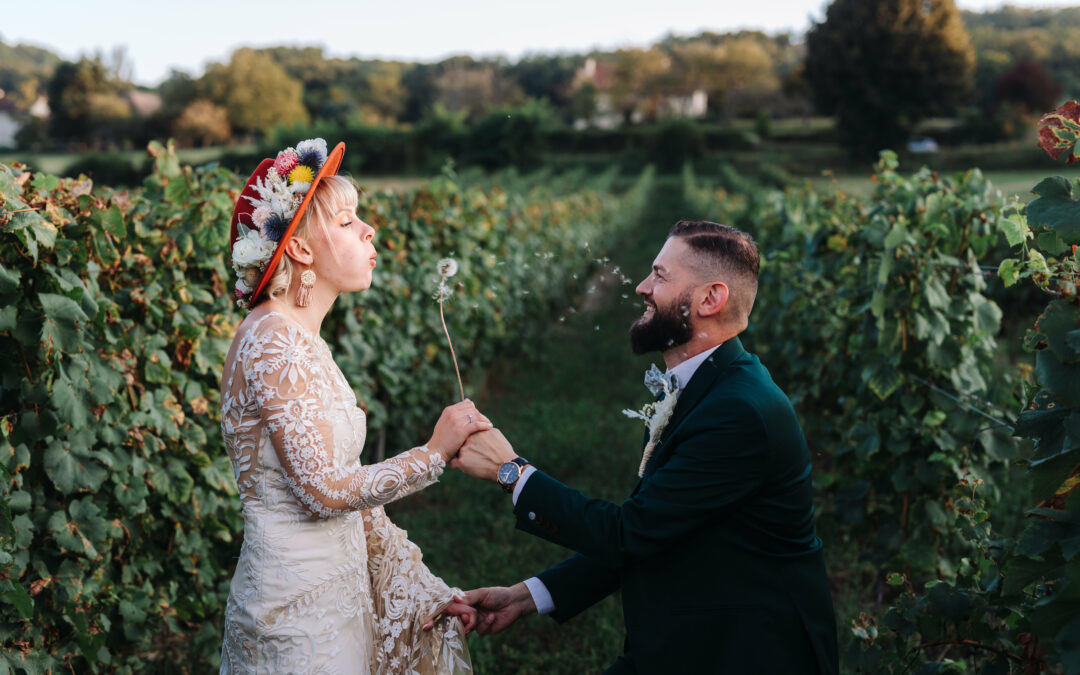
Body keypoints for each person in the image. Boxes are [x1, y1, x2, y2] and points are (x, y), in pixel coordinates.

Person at [451, 221, 839, 674]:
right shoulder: (705, 387)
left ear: (710, 299)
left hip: (745, 649)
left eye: (660, 275)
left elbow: (630, 534)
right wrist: (524, 596)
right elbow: (657, 528)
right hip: (693, 634)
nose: (641, 287)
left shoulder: (739, 412)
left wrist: (511, 470)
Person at [218, 138, 483, 674]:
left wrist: (416, 588)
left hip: (334, 594)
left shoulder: (299, 339)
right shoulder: (274, 340)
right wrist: (433, 454)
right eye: (345, 221)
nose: (369, 231)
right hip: (294, 615)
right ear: (299, 248)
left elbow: (340, 486)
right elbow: (322, 492)